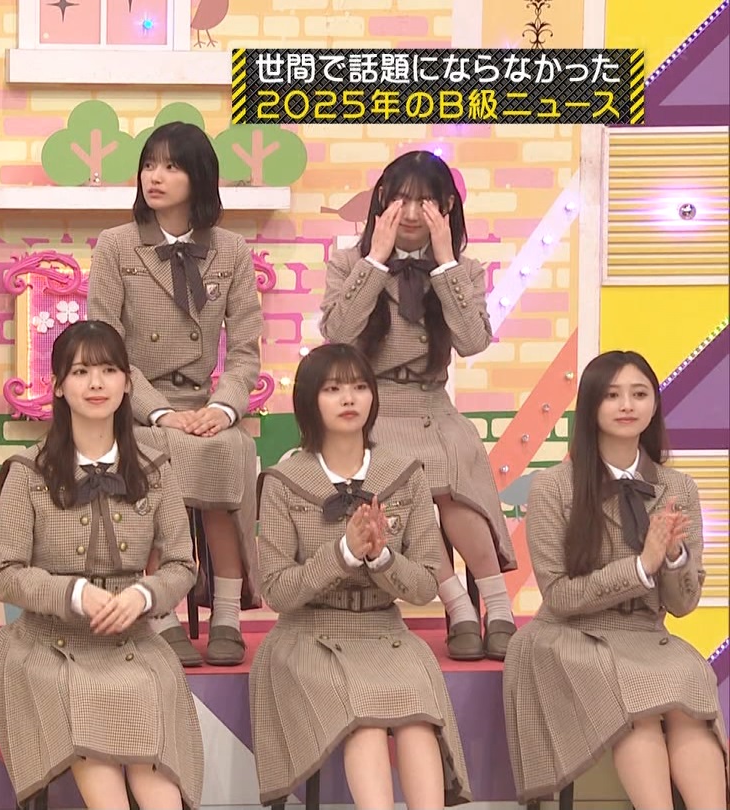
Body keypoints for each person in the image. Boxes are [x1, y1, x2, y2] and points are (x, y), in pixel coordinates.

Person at [0, 320, 203, 809]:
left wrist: (144, 595)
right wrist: (74, 594)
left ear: (128, 383)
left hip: (134, 642)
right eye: (81, 372)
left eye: (108, 370)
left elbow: (181, 564)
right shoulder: (28, 472)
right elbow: (4, 574)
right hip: (50, 646)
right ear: (58, 387)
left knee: (156, 773)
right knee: (97, 753)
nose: (96, 383)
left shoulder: (156, 468)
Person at [250, 343, 470, 809]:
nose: (348, 398)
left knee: (417, 717)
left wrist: (382, 557)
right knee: (366, 718)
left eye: (359, 386)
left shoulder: (404, 474)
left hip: (385, 631)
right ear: (309, 400)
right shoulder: (283, 480)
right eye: (333, 389)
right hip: (308, 635)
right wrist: (343, 553)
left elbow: (426, 584)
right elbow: (277, 591)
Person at [503, 350, 727, 808]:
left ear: (654, 406)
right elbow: (559, 596)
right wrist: (641, 566)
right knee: (638, 708)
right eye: (612, 395)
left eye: (639, 394)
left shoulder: (678, 487)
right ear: (591, 406)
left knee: (691, 695)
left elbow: (683, 605)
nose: (627, 405)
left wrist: (674, 556)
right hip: (570, 635)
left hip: (645, 634)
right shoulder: (553, 486)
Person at [320, 150, 516, 661]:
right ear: (381, 202)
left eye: (425, 201)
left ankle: (498, 608)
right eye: (400, 200)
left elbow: (472, 342)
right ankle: (459, 607)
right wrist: (375, 260)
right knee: (406, 484)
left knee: (455, 477)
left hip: (434, 404)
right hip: (373, 408)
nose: (410, 213)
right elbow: (338, 334)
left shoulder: (464, 269)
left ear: (447, 206)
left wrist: (446, 263)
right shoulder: (349, 263)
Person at [88, 121, 263, 667]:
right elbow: (104, 347)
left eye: (170, 166)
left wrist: (223, 408)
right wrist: (159, 412)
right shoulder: (116, 245)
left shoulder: (231, 250)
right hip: (134, 407)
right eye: (148, 165)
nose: (154, 177)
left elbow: (245, 351)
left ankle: (228, 614)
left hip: (205, 407)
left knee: (227, 453)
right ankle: (160, 612)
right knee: (158, 459)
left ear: (199, 177)